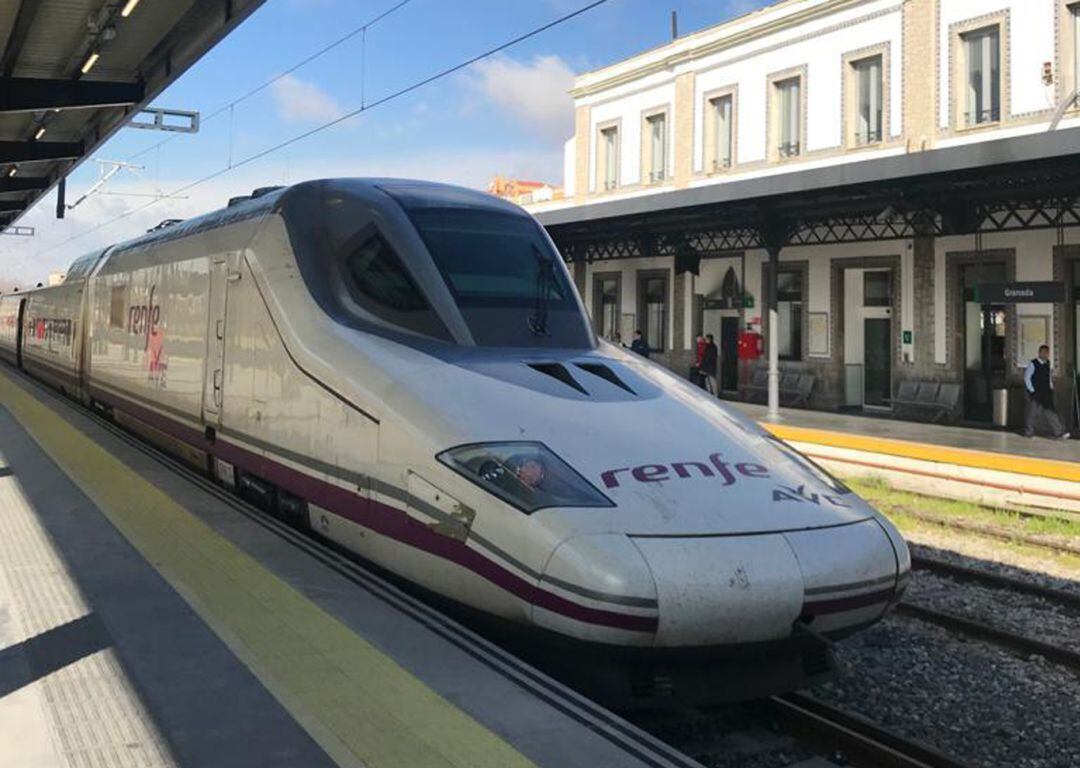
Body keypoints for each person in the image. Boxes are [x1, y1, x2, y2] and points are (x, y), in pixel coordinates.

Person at [1023, 344, 1070, 439]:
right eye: (1043, 352)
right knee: (1032, 412)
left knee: (1051, 412)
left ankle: (1059, 432)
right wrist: (1032, 390)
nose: (1045, 354)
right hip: (1036, 392)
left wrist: (1051, 387)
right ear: (1039, 353)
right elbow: (1027, 378)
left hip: (1046, 392)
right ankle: (1029, 432)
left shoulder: (1048, 363)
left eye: (1046, 353)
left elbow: (1048, 377)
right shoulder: (1033, 363)